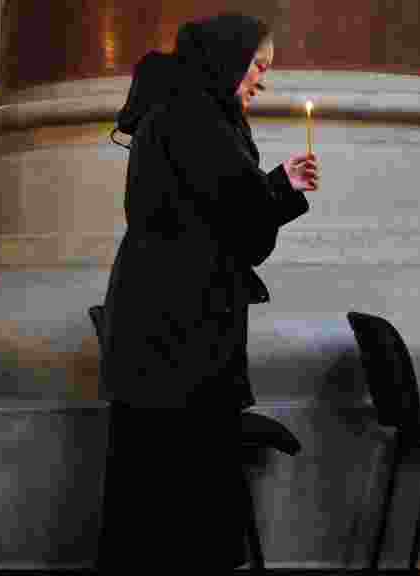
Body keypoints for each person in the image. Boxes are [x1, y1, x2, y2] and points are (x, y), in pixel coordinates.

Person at [97, 12, 319, 572]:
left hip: (164, 323)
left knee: (152, 488)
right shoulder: (196, 116)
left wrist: (277, 186)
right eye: (257, 66)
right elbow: (242, 224)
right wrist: (279, 191)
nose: (260, 80)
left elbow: (215, 210)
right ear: (227, 59)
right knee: (185, 490)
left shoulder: (179, 109)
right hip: (180, 333)